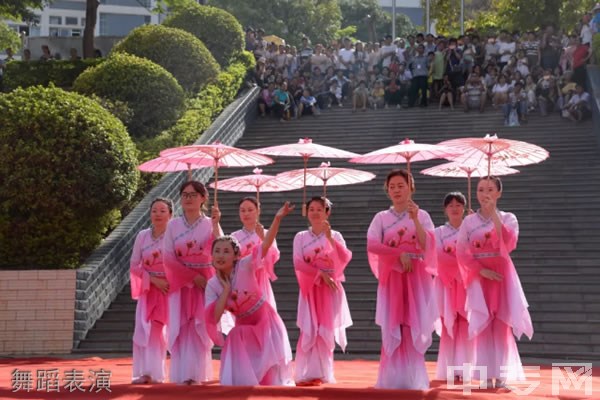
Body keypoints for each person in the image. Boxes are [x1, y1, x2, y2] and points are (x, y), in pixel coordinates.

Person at [205, 202, 295, 386]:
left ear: (236, 256)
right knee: (235, 335)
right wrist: (226, 291)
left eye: (226, 252)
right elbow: (212, 318)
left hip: (265, 322)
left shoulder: (245, 266)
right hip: (243, 325)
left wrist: (277, 218)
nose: (221, 256)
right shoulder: (213, 284)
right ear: (211, 256)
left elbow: (266, 246)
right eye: (217, 252)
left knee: (270, 380)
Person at [456, 176, 533, 389]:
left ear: (499, 192)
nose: (484, 194)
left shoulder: (509, 218)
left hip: (501, 276)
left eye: (490, 189)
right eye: (480, 189)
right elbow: (461, 252)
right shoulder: (468, 222)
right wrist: (481, 271)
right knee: (482, 325)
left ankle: (501, 376)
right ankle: (484, 377)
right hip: (480, 276)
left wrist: (495, 217)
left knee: (501, 325)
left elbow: (509, 243)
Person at [367, 169, 438, 390]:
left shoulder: (422, 215)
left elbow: (428, 244)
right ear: (387, 190)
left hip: (416, 277)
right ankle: (392, 378)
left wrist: (415, 220)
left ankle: (413, 378)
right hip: (393, 278)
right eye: (392, 186)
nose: (396, 190)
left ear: (411, 187)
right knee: (394, 324)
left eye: (401, 185)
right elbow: (372, 244)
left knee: (413, 324)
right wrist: (398, 254)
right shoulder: (381, 218)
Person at [163, 181, 223, 384]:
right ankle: (181, 374)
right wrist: (190, 276)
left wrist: (216, 225)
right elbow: (168, 257)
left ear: (203, 198)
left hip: (204, 284)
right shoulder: (173, 225)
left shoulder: (209, 223)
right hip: (180, 283)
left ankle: (196, 374)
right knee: (181, 327)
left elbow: (222, 248)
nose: (188, 198)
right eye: (185, 195)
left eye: (193, 194)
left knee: (200, 327)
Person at [293, 197, 353, 386]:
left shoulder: (335, 235)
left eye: (320, 209)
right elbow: (298, 262)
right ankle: (308, 371)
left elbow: (345, 258)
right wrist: (319, 274)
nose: (315, 212)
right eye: (312, 209)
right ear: (307, 212)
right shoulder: (300, 236)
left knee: (325, 330)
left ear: (328, 212)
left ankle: (324, 371)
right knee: (310, 328)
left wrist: (329, 239)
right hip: (310, 288)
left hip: (330, 289)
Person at [130, 198, 173, 384]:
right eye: (154, 210)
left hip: (171, 289)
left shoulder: (174, 235)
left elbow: (180, 262)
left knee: (174, 330)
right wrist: (153, 280)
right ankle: (149, 372)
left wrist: (169, 280)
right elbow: (134, 265)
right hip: (149, 290)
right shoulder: (142, 236)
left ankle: (181, 371)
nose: (158, 214)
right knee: (149, 330)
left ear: (170, 215)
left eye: (163, 211)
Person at [434, 192, 472, 382]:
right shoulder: (438, 232)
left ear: (464, 207)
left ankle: (466, 368)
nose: (455, 208)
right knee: (449, 324)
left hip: (467, 283)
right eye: (451, 205)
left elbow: (475, 252)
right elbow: (438, 256)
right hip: (447, 283)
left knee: (465, 324)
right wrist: (456, 269)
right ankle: (449, 368)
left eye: (459, 204)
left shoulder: (471, 228)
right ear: (445, 209)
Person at [230, 197, 280, 310]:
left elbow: (274, 257)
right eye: (242, 210)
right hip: (241, 281)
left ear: (258, 211)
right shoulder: (234, 236)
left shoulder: (268, 233)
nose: (246, 213)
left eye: (250, 210)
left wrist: (263, 238)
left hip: (260, 280)